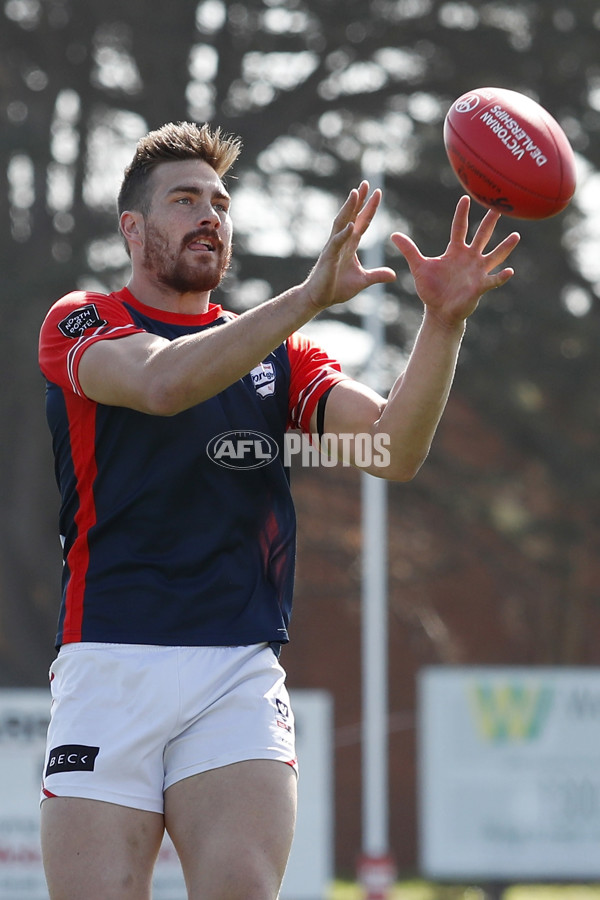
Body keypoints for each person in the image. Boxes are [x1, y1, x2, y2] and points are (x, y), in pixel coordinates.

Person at [38, 120, 520, 900]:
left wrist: (443, 322)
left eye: (221, 203)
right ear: (133, 228)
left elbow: (391, 450)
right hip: (108, 663)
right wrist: (306, 298)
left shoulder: (281, 357)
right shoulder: (82, 320)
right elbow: (163, 387)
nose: (209, 216)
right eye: (185, 199)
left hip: (235, 669)